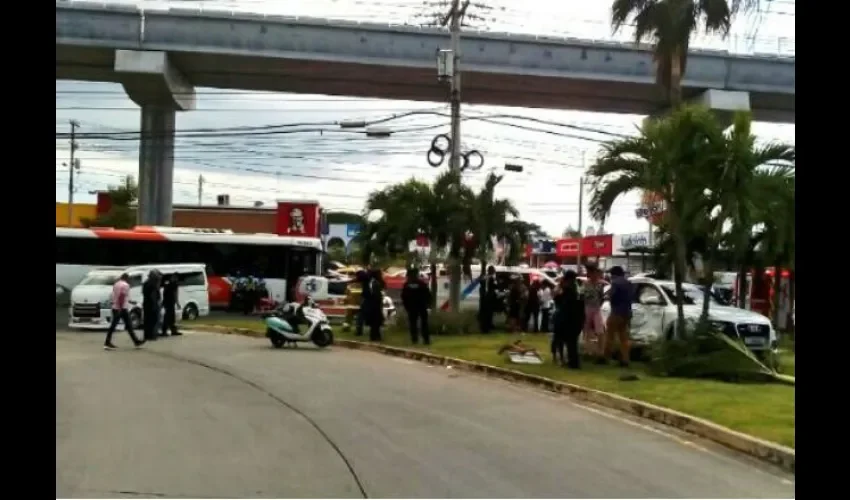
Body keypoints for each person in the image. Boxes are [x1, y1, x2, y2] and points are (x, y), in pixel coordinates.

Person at [602, 266, 634, 367]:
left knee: (609, 335)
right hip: (627, 312)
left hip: (616, 312)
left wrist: (608, 296)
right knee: (623, 336)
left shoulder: (615, 283)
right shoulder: (628, 283)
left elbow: (612, 296)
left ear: (614, 274)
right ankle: (625, 359)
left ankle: (605, 358)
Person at [552, 270, 585, 368]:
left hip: (568, 320)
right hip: (576, 319)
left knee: (569, 342)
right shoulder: (576, 289)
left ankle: (572, 362)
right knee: (572, 343)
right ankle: (573, 361)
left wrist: (558, 292)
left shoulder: (568, 290)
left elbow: (560, 302)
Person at [104, 273, 145, 350]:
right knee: (124, 325)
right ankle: (107, 342)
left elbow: (114, 295)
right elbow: (121, 296)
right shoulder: (125, 285)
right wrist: (120, 307)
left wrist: (130, 301)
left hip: (116, 307)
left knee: (122, 325)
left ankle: (136, 341)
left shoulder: (116, 284)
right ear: (127, 278)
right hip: (122, 308)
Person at [401, 267, 432, 344]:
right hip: (421, 306)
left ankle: (414, 339)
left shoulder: (407, 285)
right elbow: (428, 295)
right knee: (424, 323)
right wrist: (428, 304)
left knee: (413, 323)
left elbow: (404, 297)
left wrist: (406, 306)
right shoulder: (422, 284)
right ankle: (426, 339)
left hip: (411, 307)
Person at [582, 264, 606, 357]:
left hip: (596, 308)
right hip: (587, 307)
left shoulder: (601, 284)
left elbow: (602, 296)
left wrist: (599, 304)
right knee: (586, 329)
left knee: (600, 330)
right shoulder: (586, 284)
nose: (594, 275)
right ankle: (588, 350)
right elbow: (583, 296)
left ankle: (601, 351)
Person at [363, 269, 385, 341]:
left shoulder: (372, 282)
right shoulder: (375, 283)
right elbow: (376, 295)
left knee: (376, 321)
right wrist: (380, 299)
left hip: (372, 304)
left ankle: (377, 336)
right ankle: (374, 337)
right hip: (374, 305)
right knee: (375, 321)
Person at [142, 270, 161, 341]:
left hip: (146, 304)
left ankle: (147, 335)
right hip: (152, 304)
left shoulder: (145, 283)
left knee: (147, 320)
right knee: (154, 320)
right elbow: (154, 295)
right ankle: (152, 335)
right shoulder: (153, 284)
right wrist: (155, 304)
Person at [160, 273, 181, 337]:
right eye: (176, 278)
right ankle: (165, 331)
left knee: (171, 317)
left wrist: (163, 303)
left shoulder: (167, 283)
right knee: (168, 317)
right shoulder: (174, 284)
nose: (176, 279)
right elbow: (175, 294)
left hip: (167, 302)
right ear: (175, 277)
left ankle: (173, 330)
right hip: (170, 302)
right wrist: (177, 303)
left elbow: (164, 293)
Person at [478, 265, 497, 333]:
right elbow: (495, 286)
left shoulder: (484, 277)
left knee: (483, 314)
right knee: (488, 314)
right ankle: (487, 329)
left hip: (483, 298)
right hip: (489, 298)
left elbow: (480, 283)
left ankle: (483, 328)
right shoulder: (492, 278)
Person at [354, 269, 369, 337]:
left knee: (360, 316)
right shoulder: (367, 281)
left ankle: (359, 331)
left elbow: (365, 293)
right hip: (367, 300)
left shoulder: (366, 282)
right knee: (361, 316)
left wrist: (362, 299)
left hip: (367, 300)